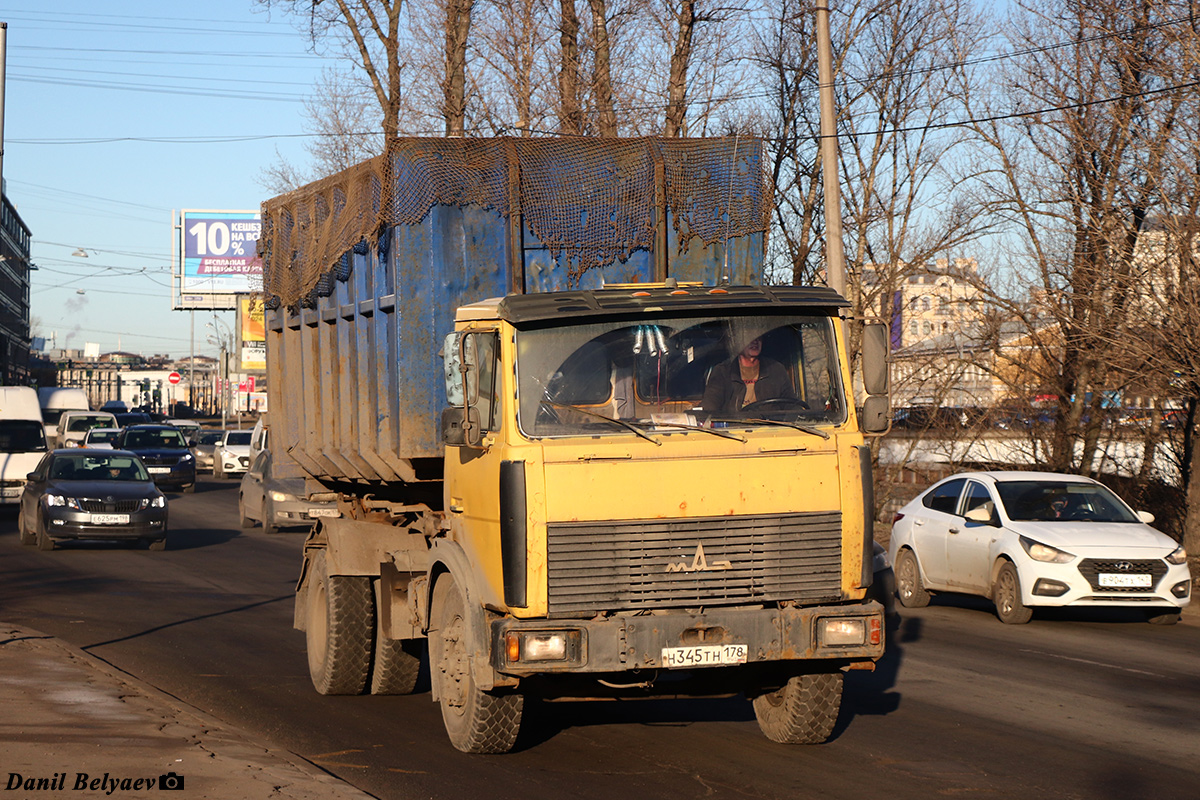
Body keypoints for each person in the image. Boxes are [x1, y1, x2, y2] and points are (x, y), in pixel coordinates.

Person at [699, 337, 795, 415]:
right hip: (735, 433)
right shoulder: (723, 371)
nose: (755, 341)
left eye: (759, 337)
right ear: (737, 342)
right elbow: (710, 407)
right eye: (749, 337)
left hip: (772, 432)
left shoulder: (776, 370)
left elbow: (792, 405)